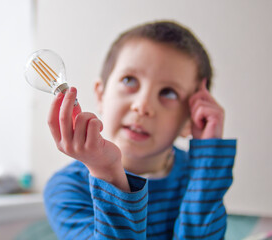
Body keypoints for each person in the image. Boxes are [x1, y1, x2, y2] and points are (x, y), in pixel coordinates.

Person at [44, 20, 237, 240]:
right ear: (101, 94)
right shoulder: (66, 188)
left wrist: (208, 158)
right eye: (129, 80)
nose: (142, 106)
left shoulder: (198, 175)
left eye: (168, 92)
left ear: (189, 120)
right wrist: (108, 174)